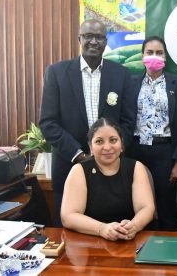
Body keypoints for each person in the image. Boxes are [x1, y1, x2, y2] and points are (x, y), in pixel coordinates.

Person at [39, 19, 135, 226]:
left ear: (105, 41)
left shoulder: (121, 75)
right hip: (69, 163)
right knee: (68, 229)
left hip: (111, 167)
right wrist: (79, 155)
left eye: (99, 37)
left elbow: (128, 122)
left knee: (112, 228)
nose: (94, 41)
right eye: (88, 36)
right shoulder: (56, 73)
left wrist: (110, 152)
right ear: (79, 39)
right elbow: (48, 123)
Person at [127, 36, 177, 231]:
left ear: (165, 57)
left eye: (159, 53)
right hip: (136, 151)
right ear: (142, 55)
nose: (154, 56)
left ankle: (169, 252)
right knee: (137, 205)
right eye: (150, 52)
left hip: (165, 153)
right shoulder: (131, 82)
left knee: (166, 207)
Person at [61, 118, 155, 241]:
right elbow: (68, 216)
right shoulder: (79, 171)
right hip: (90, 243)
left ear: (121, 144)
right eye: (99, 141)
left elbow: (146, 208)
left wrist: (134, 226)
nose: (107, 147)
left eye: (113, 140)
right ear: (91, 147)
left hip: (131, 240)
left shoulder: (136, 167)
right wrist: (102, 229)